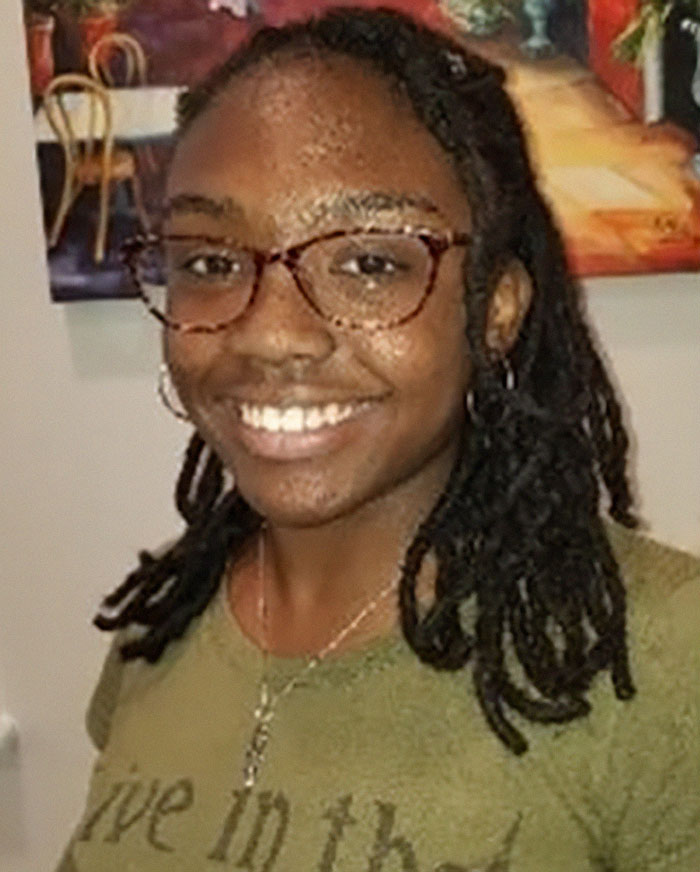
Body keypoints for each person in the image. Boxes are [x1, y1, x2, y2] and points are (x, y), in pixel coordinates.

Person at [56, 7, 699, 871]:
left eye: (368, 261)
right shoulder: (160, 628)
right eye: (209, 260)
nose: (269, 335)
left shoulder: (668, 658)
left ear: (496, 308)